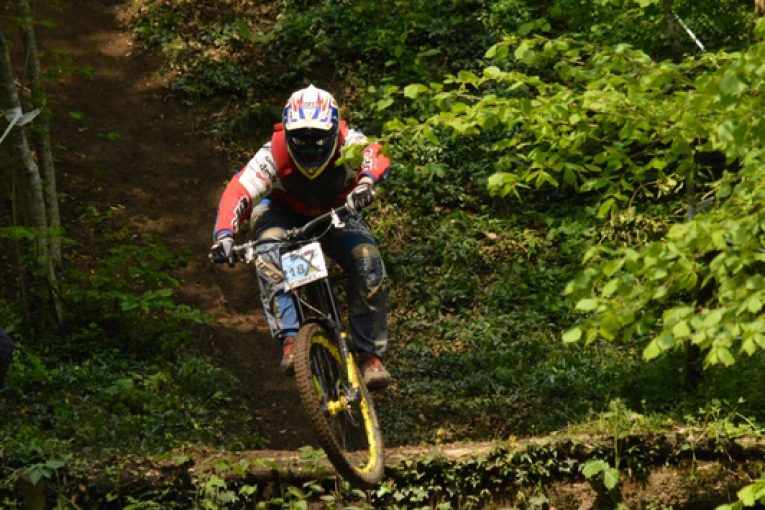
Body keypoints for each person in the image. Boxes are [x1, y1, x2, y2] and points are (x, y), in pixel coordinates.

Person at [209, 84, 392, 390]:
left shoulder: (349, 144)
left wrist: (366, 183)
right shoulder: (271, 155)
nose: (309, 146)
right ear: (287, 132)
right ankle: (291, 340)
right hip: (281, 214)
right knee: (268, 252)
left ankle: (370, 356)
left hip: (335, 214)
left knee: (367, 260)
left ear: (333, 131)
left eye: (317, 138)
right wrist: (224, 235)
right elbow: (239, 191)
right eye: (301, 138)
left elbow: (376, 153)